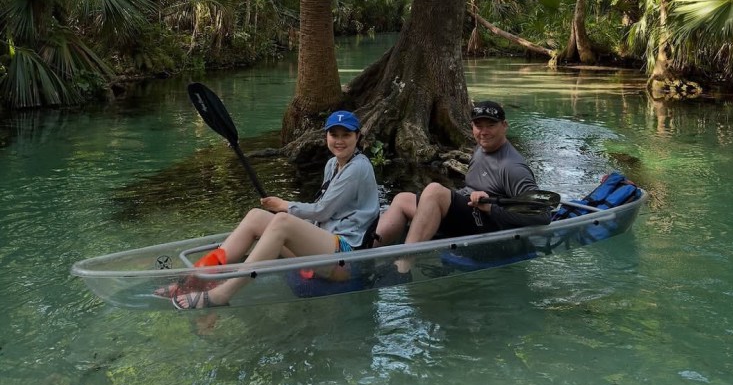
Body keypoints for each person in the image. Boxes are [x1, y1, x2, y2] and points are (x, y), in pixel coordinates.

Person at [171, 110, 381, 309]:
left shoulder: (358, 167)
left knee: (282, 221)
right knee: (256, 216)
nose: (339, 140)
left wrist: (284, 206)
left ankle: (222, 294)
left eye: (346, 135)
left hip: (347, 258)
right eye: (334, 134)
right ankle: (195, 279)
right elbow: (323, 216)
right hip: (323, 247)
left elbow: (322, 212)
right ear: (326, 136)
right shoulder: (332, 164)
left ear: (358, 137)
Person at [376, 100, 550, 259]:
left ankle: (404, 265)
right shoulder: (480, 149)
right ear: (472, 126)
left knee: (434, 191)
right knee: (402, 199)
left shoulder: (513, 167)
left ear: (504, 126)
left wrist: (491, 208)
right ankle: (365, 253)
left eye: (491, 125)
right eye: (478, 125)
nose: (484, 132)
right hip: (470, 214)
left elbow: (543, 215)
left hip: (492, 230)